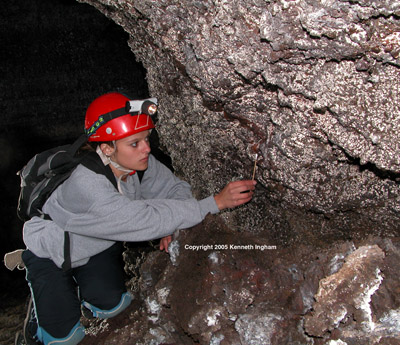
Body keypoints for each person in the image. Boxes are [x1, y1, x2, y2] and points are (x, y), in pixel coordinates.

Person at [16, 91, 256, 345]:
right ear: (107, 148)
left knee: (115, 307)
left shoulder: (138, 162)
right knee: (62, 339)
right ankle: (35, 326)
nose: (146, 149)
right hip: (52, 251)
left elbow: (175, 189)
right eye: (135, 143)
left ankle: (86, 297)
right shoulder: (86, 186)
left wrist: (172, 223)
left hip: (96, 242)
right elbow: (142, 220)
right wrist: (215, 203)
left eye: (146, 139)